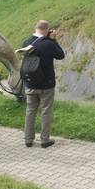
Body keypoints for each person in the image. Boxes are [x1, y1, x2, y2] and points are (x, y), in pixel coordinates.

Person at [21, 20, 65, 148]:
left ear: (36, 28)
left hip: (30, 83)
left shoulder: (26, 42)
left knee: (30, 111)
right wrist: (53, 40)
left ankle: (28, 140)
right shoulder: (48, 44)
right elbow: (61, 55)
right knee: (46, 111)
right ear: (47, 30)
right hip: (46, 84)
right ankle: (45, 140)